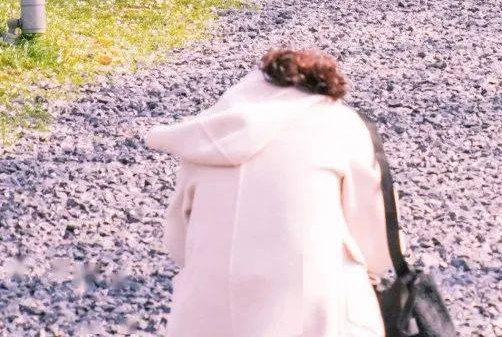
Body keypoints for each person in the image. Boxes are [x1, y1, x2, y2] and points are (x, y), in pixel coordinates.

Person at [147, 49, 393, 337]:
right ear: (326, 91)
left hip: (207, 323)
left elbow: (178, 244)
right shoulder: (342, 125)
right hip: (318, 320)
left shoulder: (209, 136)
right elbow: (377, 246)